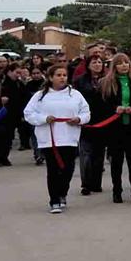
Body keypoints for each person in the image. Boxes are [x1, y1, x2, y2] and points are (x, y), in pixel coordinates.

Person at [24, 65, 91, 214]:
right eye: (58, 75)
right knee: (53, 169)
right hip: (49, 138)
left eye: (64, 75)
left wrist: (79, 119)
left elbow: (86, 112)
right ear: (50, 78)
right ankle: (54, 200)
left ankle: (62, 193)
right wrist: (43, 118)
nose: (62, 78)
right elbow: (28, 113)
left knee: (68, 169)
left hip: (69, 137)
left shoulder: (75, 95)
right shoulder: (40, 96)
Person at [96, 53, 131, 205]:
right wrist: (115, 108)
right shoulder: (105, 83)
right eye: (120, 63)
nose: (124, 65)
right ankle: (117, 191)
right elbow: (100, 105)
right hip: (115, 128)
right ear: (114, 66)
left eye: (127, 62)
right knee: (116, 161)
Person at [74, 54, 108, 194]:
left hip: (103, 120)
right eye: (94, 62)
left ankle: (96, 183)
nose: (97, 64)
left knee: (99, 154)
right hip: (86, 120)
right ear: (88, 65)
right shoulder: (80, 81)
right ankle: (86, 184)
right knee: (86, 153)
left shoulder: (107, 80)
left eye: (100, 62)